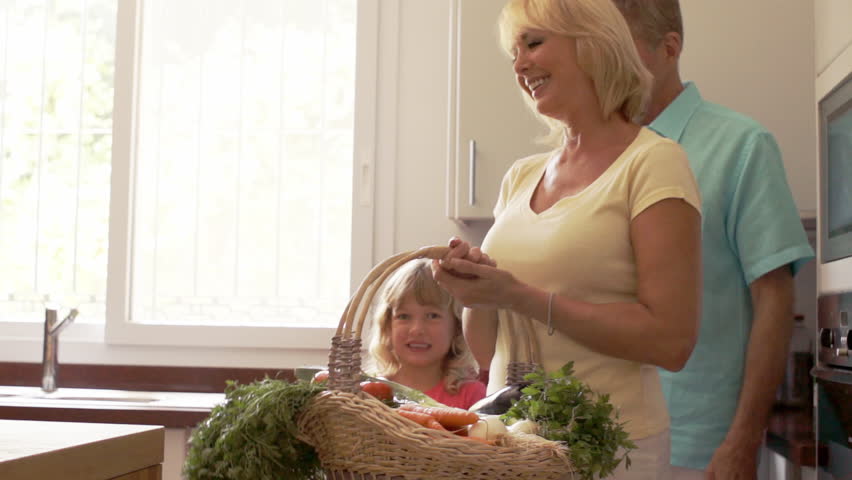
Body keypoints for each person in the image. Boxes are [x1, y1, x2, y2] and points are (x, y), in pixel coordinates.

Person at [431, 0, 702, 478]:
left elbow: (671, 341)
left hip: (612, 450)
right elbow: (487, 349)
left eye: (534, 43)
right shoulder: (520, 177)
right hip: (513, 442)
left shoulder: (654, 163)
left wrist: (520, 295)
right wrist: (476, 290)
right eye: (515, 51)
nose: (520, 64)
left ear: (594, 44)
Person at [610, 1, 815, 478]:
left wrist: (744, 438)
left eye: (622, 48)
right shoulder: (603, 152)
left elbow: (775, 298)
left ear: (669, 48)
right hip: (605, 436)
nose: (608, 64)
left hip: (697, 446)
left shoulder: (742, 145)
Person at [368, 258, 486, 410]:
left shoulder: (472, 395)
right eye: (404, 316)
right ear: (387, 326)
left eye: (432, 316)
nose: (416, 329)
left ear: (457, 328)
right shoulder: (371, 391)